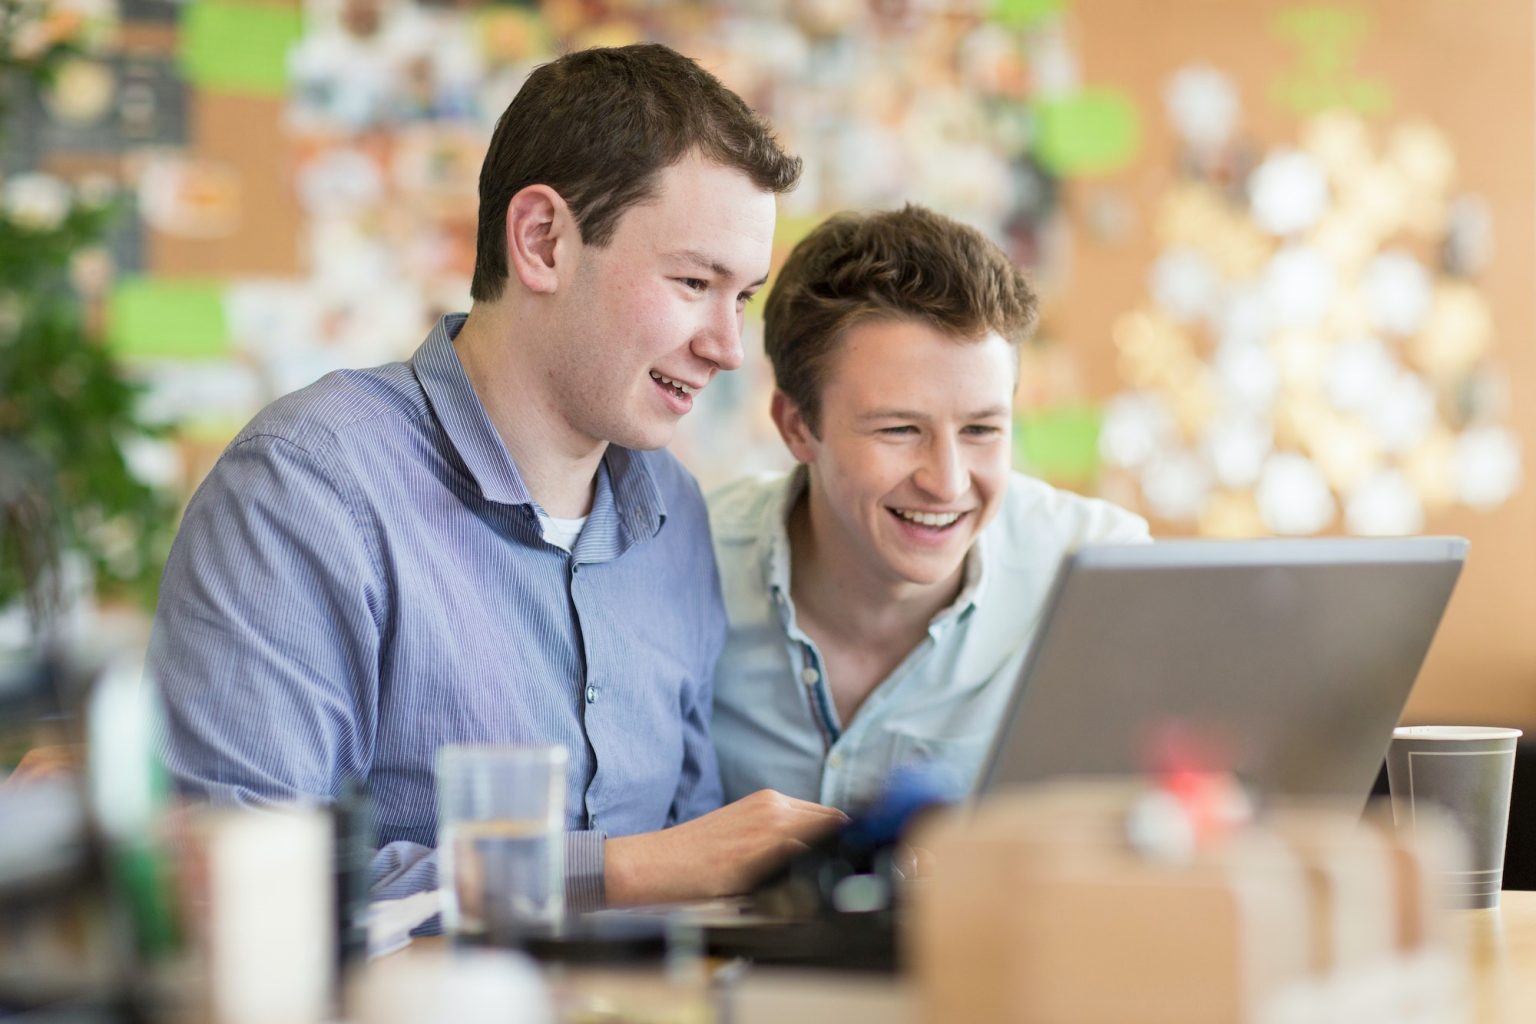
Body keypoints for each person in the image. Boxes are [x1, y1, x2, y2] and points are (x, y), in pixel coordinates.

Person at [147, 43, 846, 912]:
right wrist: (624, 871)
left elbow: (693, 884)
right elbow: (233, 892)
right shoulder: (305, 491)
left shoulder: (672, 513)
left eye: (740, 297)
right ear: (542, 241)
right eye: (694, 281)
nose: (729, 347)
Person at [708, 205, 1152, 811]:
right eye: (899, 430)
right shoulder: (683, 558)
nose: (946, 483)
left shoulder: (1096, 576)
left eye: (981, 430)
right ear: (797, 427)